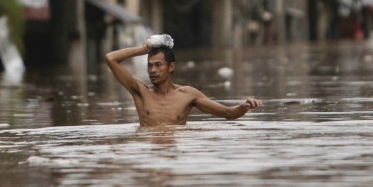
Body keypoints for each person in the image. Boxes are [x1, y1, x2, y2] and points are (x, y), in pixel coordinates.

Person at [105, 37, 263, 127]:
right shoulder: (140, 91)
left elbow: (228, 113)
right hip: (148, 154)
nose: (152, 70)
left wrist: (244, 106)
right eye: (150, 65)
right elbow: (111, 58)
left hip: (175, 155)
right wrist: (144, 49)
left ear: (171, 67)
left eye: (158, 65)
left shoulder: (187, 95)